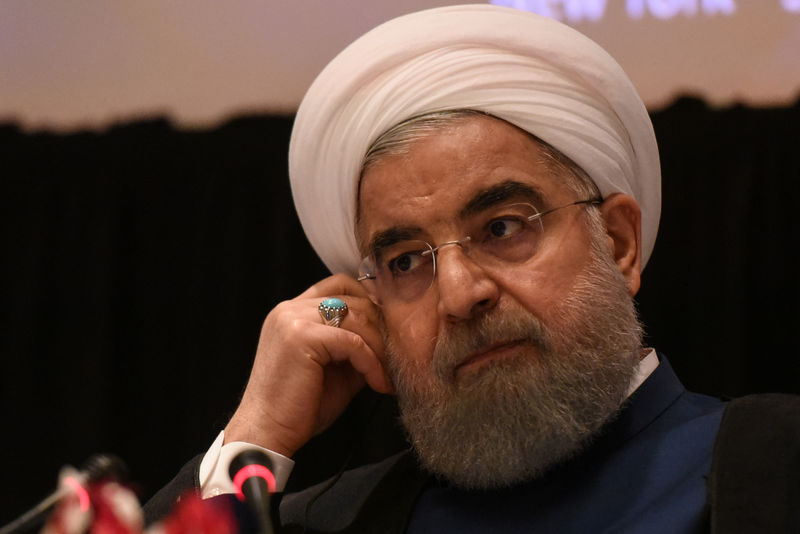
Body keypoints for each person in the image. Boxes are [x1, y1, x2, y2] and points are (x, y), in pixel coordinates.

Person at [145, 5, 798, 533]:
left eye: (503, 228)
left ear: (619, 243)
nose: (459, 293)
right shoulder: (327, 522)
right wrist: (254, 437)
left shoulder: (776, 466)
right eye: (405, 261)